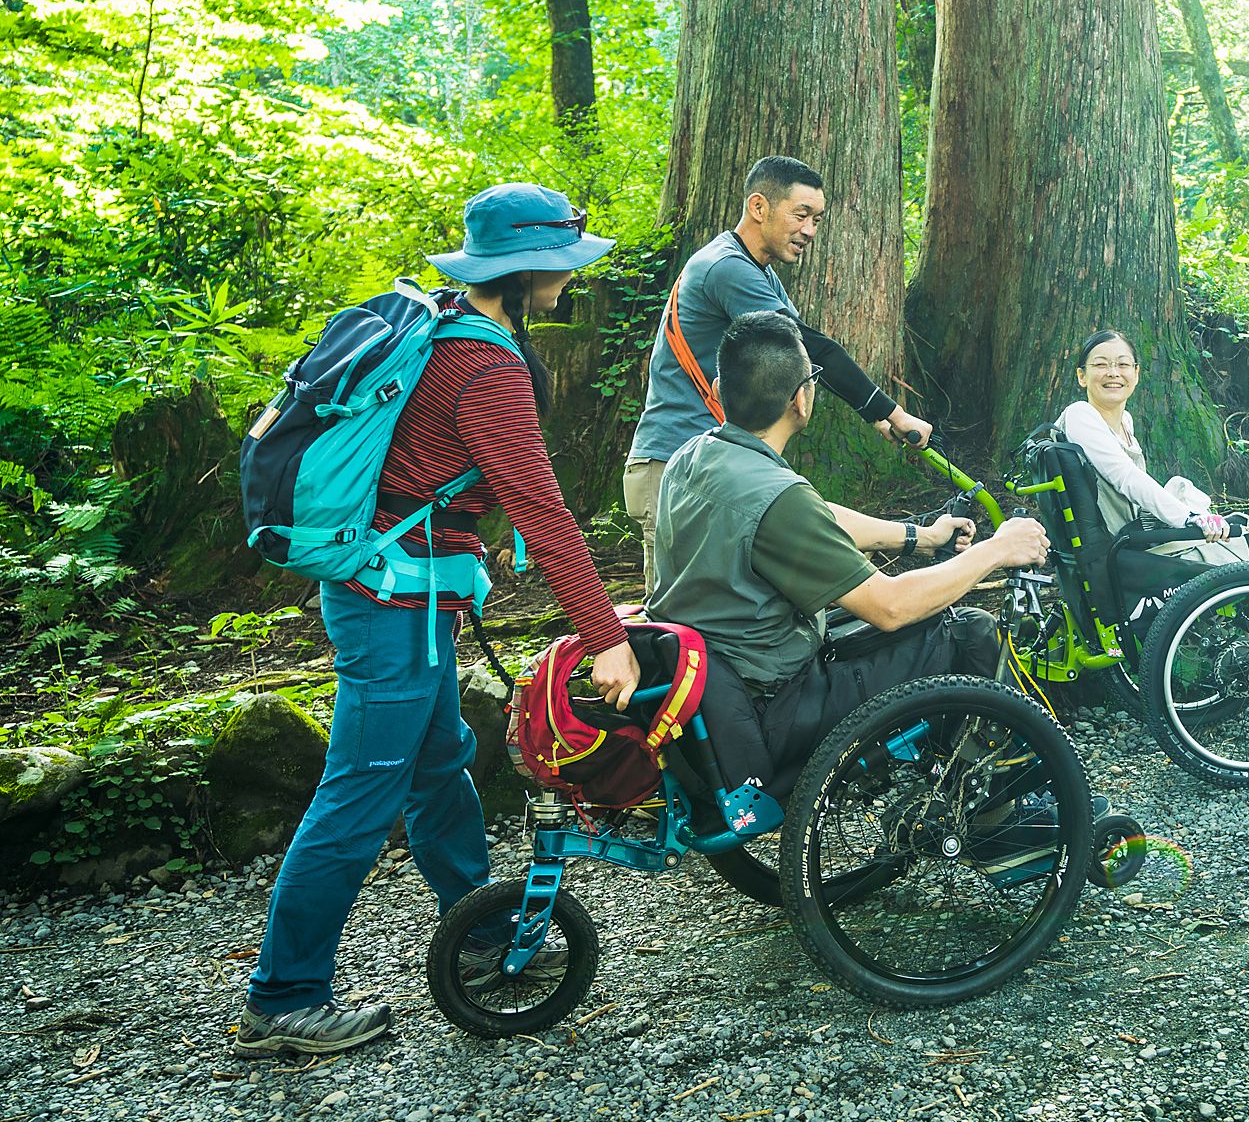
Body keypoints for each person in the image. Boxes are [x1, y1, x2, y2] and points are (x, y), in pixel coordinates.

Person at [237, 184, 642, 1059]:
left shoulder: (446, 329)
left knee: (439, 766)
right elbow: (541, 506)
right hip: (393, 606)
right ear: (524, 267)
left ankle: (489, 932)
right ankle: (284, 994)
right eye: (561, 265)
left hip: (401, 593)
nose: (569, 280)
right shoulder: (488, 366)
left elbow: (440, 477)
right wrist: (608, 637)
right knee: (360, 791)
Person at [646, 312, 1050, 803]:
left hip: (717, 697)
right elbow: (891, 606)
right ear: (801, 398)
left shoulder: (693, 457)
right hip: (777, 706)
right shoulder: (775, 496)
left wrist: (917, 537)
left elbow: (816, 514)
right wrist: (996, 550)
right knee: (968, 632)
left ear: (717, 388)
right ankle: (988, 809)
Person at [624, 157, 933, 588]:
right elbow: (804, 346)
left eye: (817, 220)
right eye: (801, 214)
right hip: (674, 463)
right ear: (759, 207)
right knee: (680, 625)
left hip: (714, 463)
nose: (810, 230)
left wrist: (879, 416)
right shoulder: (726, 267)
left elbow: (802, 357)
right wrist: (892, 413)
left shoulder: (757, 270)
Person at [1055, 330, 1249, 693]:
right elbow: (1125, 479)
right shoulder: (1080, 415)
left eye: (1122, 364)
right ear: (1081, 375)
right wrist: (1186, 519)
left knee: (1240, 527)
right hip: (1127, 549)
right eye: (1100, 365)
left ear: (1136, 373)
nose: (1113, 373)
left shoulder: (1124, 423)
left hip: (1132, 537)